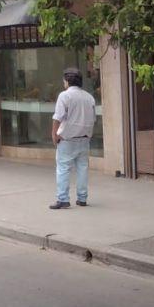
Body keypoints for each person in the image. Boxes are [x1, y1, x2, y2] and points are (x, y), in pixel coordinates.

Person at [50, 67, 96, 210]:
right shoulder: (89, 97)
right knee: (82, 169)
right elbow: (93, 118)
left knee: (63, 168)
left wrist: (54, 134)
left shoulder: (64, 96)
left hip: (67, 139)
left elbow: (57, 118)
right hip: (84, 139)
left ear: (67, 81)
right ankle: (82, 198)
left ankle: (63, 199)